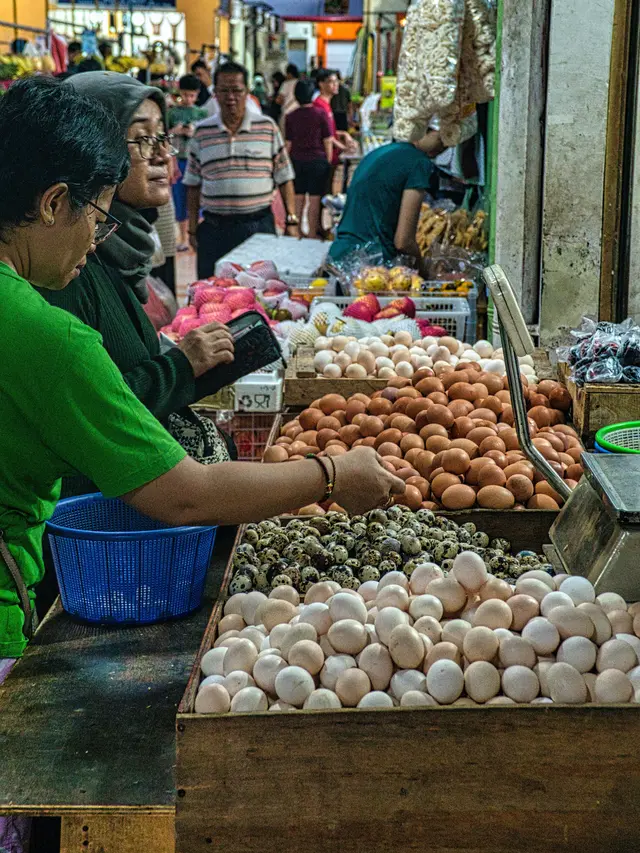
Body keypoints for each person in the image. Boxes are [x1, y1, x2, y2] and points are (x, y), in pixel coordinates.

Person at [0, 75, 404, 660]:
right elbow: (185, 496)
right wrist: (334, 475)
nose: (97, 238)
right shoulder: (48, 335)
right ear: (53, 202)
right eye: (96, 215)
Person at [41, 70, 233, 473]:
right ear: (94, 149)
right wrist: (181, 366)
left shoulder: (121, 254)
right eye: (143, 138)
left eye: (164, 137)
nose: (163, 155)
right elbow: (89, 416)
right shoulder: (65, 266)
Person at [185, 61, 300, 279]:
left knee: (261, 295)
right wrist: (191, 228)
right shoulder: (202, 132)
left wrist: (291, 220)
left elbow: (285, 177)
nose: (231, 97)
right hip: (214, 229)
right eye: (224, 91)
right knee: (212, 296)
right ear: (215, 93)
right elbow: (192, 184)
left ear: (247, 92)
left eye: (237, 90)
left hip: (258, 227)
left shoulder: (267, 127)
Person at [328, 133, 445, 276]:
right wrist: (425, 275)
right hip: (372, 265)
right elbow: (404, 241)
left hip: (340, 256)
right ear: (422, 130)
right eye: (441, 138)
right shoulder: (419, 162)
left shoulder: (380, 152)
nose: (445, 146)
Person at [285, 79, 333, 239]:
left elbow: (288, 143)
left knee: (298, 199)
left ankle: (297, 232)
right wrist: (328, 160)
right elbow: (327, 140)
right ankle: (312, 233)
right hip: (317, 162)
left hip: (296, 161)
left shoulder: (290, 116)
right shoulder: (321, 114)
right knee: (314, 200)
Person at [168, 73, 207, 251]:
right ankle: (182, 237)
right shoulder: (172, 113)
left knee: (197, 199)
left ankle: (198, 233)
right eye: (185, 95)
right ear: (179, 92)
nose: (188, 99)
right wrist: (175, 131)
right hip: (178, 161)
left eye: (192, 95)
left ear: (197, 95)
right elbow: (163, 136)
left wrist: (194, 132)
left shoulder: (202, 113)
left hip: (196, 161)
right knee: (179, 199)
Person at [314, 69, 356, 195]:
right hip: (325, 155)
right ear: (321, 84)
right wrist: (344, 147)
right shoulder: (319, 105)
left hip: (332, 155)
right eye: (331, 82)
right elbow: (325, 136)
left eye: (337, 81)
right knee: (324, 193)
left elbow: (330, 132)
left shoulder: (327, 104)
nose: (335, 85)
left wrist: (344, 134)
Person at [277, 62, 300, 131]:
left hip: (287, 113)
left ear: (289, 74)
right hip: (299, 113)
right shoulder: (301, 83)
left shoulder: (286, 84)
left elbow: (279, 100)